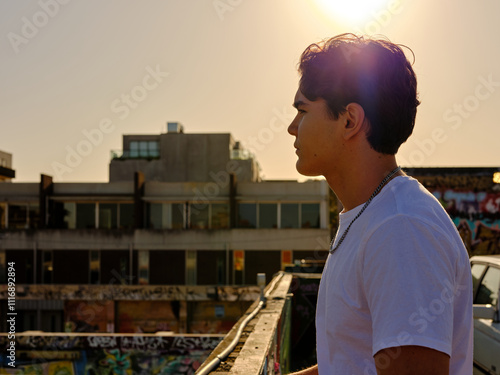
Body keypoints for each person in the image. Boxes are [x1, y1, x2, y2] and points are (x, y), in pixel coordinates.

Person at [287, 34, 473, 375]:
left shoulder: (400, 228)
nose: (291, 128)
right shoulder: (376, 215)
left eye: (302, 110)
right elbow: (349, 362)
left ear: (349, 121)